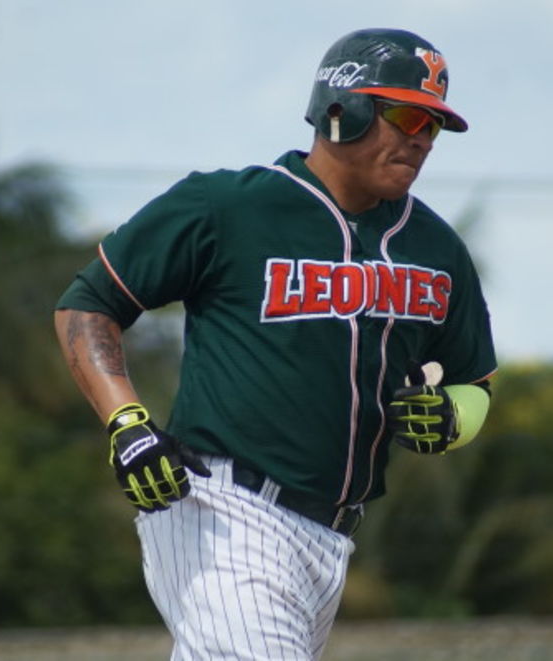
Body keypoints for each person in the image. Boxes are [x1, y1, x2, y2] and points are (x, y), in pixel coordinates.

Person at [54, 27, 497, 661]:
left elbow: (475, 378)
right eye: (406, 116)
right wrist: (127, 422)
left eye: (434, 125)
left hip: (332, 539)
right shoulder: (228, 206)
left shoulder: (436, 247)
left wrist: (454, 416)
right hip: (221, 512)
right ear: (343, 109)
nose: (422, 138)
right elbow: (88, 305)